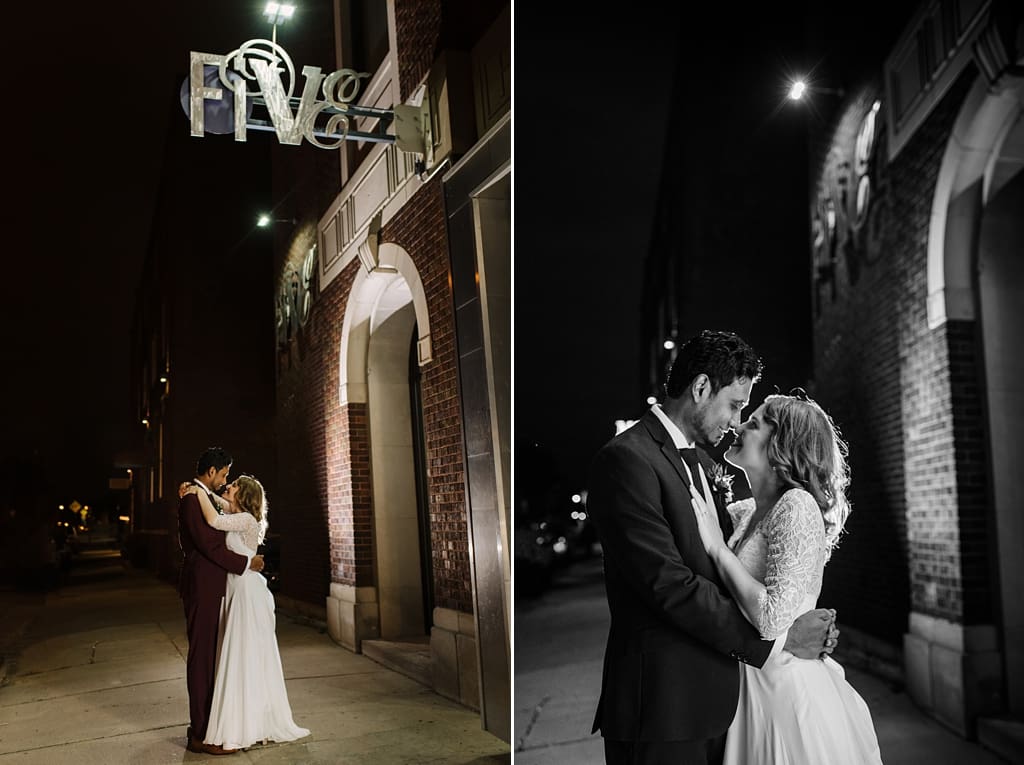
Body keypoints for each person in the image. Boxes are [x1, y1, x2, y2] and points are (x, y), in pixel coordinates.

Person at [587, 329, 839, 765]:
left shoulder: (703, 464)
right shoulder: (627, 459)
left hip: (723, 704)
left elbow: (745, 567)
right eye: (735, 405)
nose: (736, 422)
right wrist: (780, 641)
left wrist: (794, 613)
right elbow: (668, 584)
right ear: (701, 388)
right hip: (662, 708)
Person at [690, 391, 883, 764]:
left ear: (781, 446)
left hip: (785, 694)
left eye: (754, 423)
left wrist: (718, 550)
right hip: (749, 684)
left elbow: (772, 619)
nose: (738, 426)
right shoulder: (746, 512)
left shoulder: (796, 505)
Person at [183, 475, 310, 751]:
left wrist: (196, 490)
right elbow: (217, 502)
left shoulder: (246, 520)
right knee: (236, 654)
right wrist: (200, 491)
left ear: (243, 495)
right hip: (235, 589)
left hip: (244, 592)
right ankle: (244, 721)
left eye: (234, 486)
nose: (227, 487)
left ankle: (242, 725)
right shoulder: (236, 514)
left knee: (241, 654)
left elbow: (213, 520)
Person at [178, 447, 265, 756]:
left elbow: (222, 516)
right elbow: (209, 546)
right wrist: (247, 563)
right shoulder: (192, 498)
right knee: (202, 658)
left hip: (218, 589)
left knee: (214, 658)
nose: (226, 481)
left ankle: (212, 726)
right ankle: (200, 734)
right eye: (225, 474)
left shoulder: (202, 496)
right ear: (212, 471)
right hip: (204, 587)